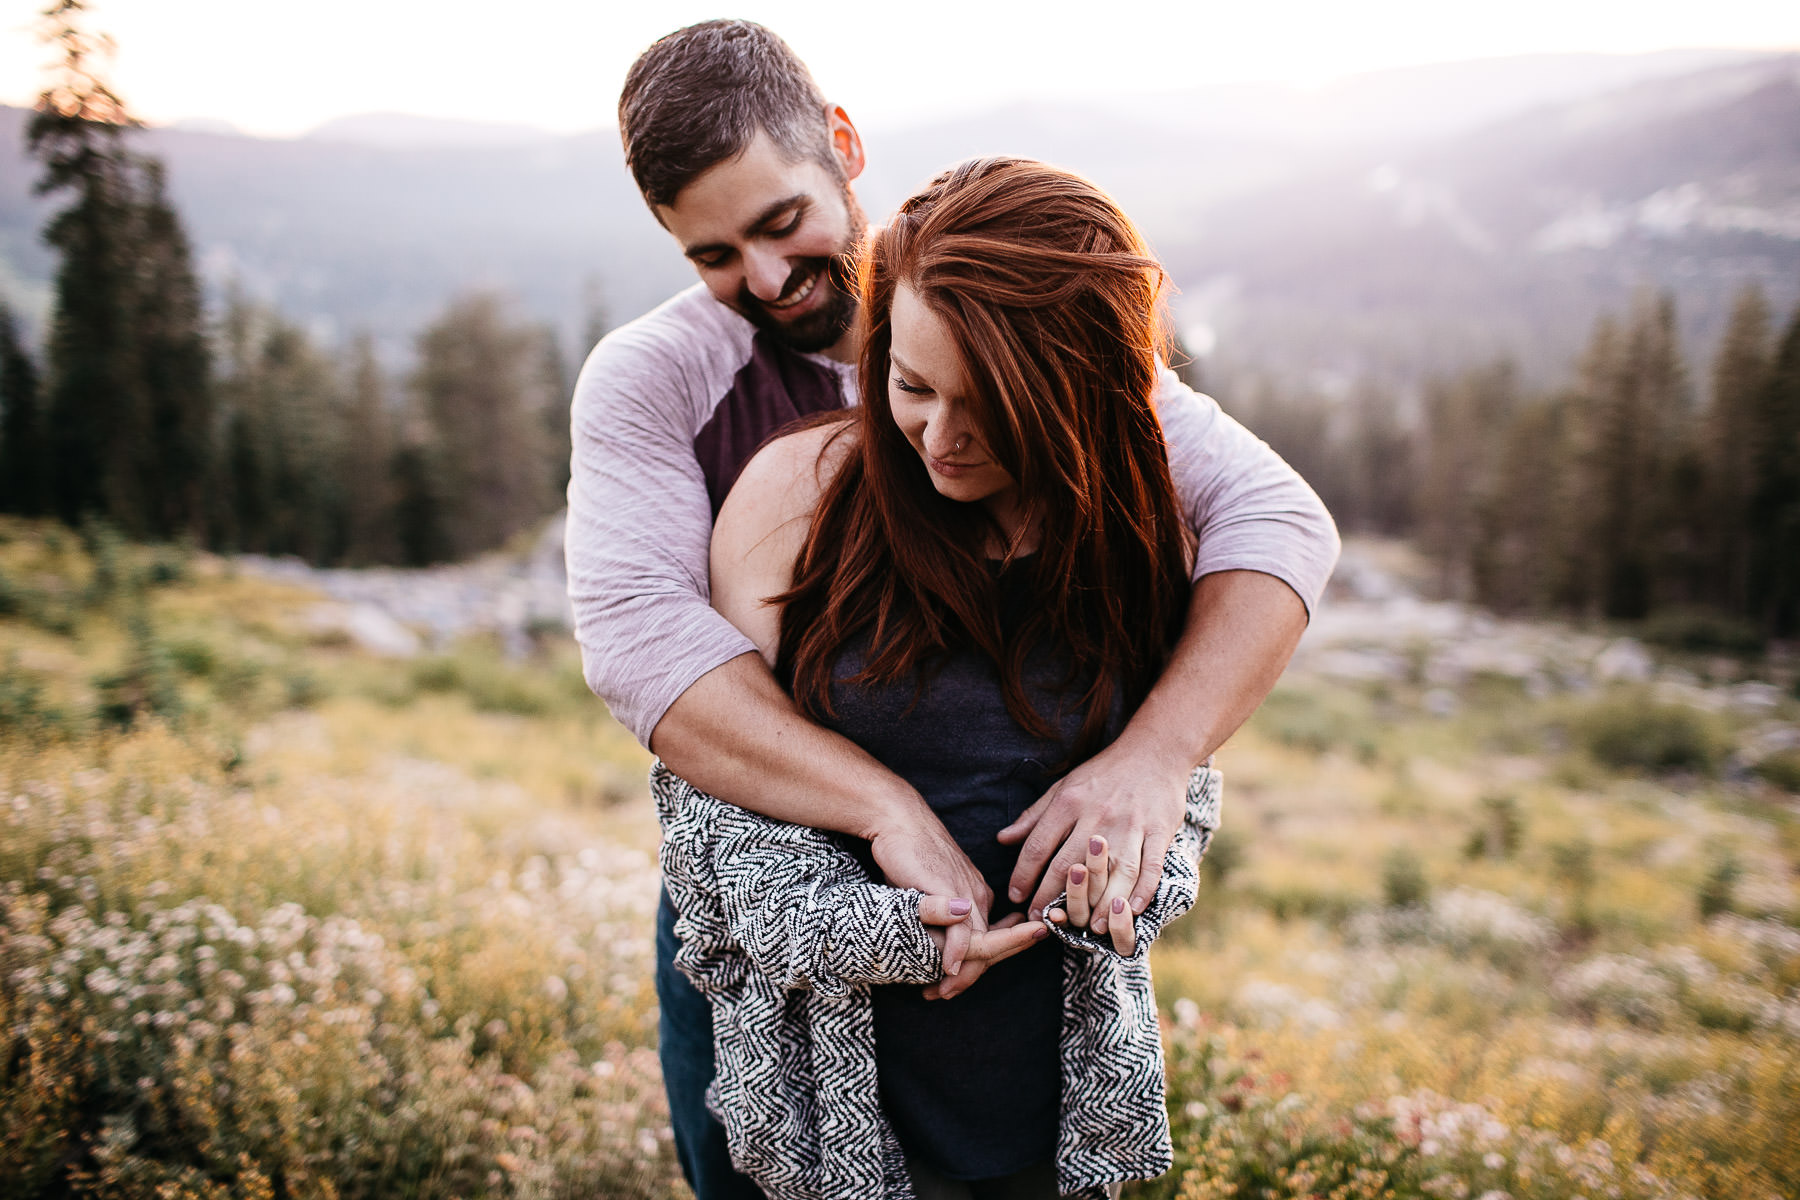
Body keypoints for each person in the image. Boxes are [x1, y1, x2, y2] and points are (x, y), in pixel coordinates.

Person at [565, 19, 1338, 1199]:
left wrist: (1155, 758)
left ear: (843, 146)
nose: (767, 282)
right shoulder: (658, 381)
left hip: (1018, 984)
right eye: (714, 255)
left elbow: (1277, 526)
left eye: (781, 224)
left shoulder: (1013, 321)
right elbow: (646, 658)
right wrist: (880, 810)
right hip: (772, 898)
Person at [658, 155, 1224, 1200]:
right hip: (827, 1090)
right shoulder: (798, 496)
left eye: (995, 410)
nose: (943, 438)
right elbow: (712, 813)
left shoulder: (1146, 532)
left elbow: (1176, 789)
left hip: (1050, 1097)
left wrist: (1101, 896)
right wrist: (898, 935)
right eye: (911, 385)